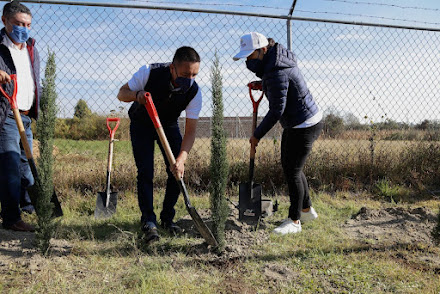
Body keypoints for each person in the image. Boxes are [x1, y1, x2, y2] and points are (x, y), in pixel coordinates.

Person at [233, 32, 324, 235]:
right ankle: (306, 209)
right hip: (302, 120)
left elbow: (276, 110)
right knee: (293, 167)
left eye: (250, 56)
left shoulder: (276, 71)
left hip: (303, 124)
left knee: (292, 170)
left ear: (263, 50)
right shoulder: (276, 63)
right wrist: (264, 84)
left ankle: (294, 220)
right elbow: (281, 87)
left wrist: (257, 134)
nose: (248, 61)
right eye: (245, 57)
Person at [117, 46, 202, 242]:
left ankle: (167, 218)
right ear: (172, 68)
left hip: (169, 124)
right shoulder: (149, 72)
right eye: (185, 74)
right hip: (142, 123)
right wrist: (137, 95)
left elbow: (190, 132)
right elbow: (122, 94)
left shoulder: (194, 93)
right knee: (146, 172)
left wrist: (181, 159)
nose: (189, 79)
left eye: (194, 75)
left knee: (176, 170)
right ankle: (148, 221)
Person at [0, 1, 41, 232]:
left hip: (25, 114)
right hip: (6, 113)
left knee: (26, 164)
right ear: (4, 20)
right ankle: (11, 218)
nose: (23, 29)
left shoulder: (31, 47)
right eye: (18, 24)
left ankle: (27, 206)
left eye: (27, 24)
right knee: (10, 162)